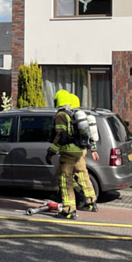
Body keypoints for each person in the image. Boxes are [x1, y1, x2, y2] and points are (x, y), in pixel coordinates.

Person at [47, 90, 99, 218]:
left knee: (65, 180)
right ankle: (90, 202)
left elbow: (60, 135)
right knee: (82, 175)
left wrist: (51, 151)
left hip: (68, 152)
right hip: (79, 151)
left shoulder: (61, 115)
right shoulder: (73, 114)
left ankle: (68, 210)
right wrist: (93, 148)